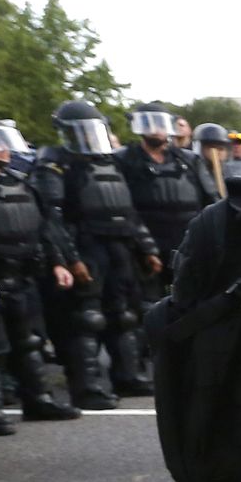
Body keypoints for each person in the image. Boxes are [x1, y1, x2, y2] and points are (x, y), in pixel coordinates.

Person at [0, 116, 83, 423]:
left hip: (24, 276)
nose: (4, 149)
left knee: (30, 342)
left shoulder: (19, 181)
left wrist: (58, 263)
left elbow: (44, 228)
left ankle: (39, 400)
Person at [34, 101, 159, 400]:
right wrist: (70, 259)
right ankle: (87, 386)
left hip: (120, 246)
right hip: (85, 245)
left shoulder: (111, 163)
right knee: (86, 319)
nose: (89, 136)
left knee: (125, 315)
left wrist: (147, 248)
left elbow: (128, 211)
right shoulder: (55, 163)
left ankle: (128, 376)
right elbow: (52, 217)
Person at [115, 104, 207, 274]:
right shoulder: (124, 159)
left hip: (188, 241)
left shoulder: (189, 160)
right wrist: (146, 246)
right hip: (144, 243)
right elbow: (122, 206)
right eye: (147, 123)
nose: (154, 129)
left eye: (159, 123)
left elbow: (211, 198)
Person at [190, 123, 233, 205]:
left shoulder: (231, 172)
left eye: (221, 149)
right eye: (211, 147)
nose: (217, 152)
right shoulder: (191, 174)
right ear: (200, 148)